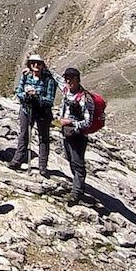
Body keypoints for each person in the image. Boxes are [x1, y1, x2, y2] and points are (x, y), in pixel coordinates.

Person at [8, 54, 58, 176]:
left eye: (38, 63)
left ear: (42, 65)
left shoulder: (49, 79)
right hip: (27, 109)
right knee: (24, 134)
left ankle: (43, 166)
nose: (36, 65)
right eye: (33, 63)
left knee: (43, 138)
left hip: (42, 112)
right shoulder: (25, 76)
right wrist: (26, 95)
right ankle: (17, 161)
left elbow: (50, 100)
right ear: (29, 64)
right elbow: (18, 92)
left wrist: (37, 96)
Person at [58, 67, 94, 206]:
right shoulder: (66, 89)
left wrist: (70, 122)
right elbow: (56, 79)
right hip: (66, 133)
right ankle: (79, 186)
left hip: (78, 135)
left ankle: (76, 193)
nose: (68, 80)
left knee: (78, 163)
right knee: (69, 158)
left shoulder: (85, 99)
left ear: (78, 79)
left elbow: (88, 122)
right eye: (67, 77)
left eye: (71, 78)